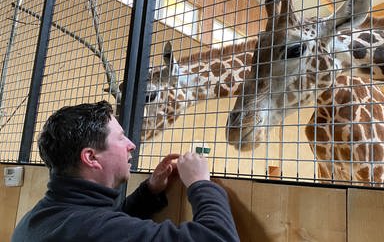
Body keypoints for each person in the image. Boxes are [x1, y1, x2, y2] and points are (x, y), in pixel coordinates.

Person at [12, 100, 240, 242]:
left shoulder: (38, 220)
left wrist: (149, 191)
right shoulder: (90, 229)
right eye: (121, 137)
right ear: (91, 157)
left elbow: (109, 227)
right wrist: (200, 184)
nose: (131, 144)